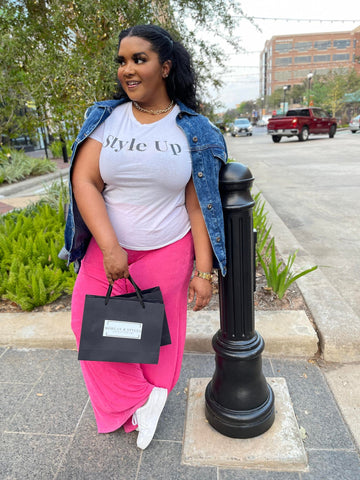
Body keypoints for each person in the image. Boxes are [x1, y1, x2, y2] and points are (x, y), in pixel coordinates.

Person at [60, 24, 227, 450]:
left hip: (169, 248)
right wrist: (111, 247)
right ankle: (142, 398)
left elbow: (198, 205)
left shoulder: (194, 130)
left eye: (139, 60)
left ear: (165, 67)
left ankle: (143, 410)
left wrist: (204, 272)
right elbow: (85, 180)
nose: (127, 70)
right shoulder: (107, 118)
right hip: (109, 248)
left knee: (152, 334)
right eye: (122, 61)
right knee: (87, 324)